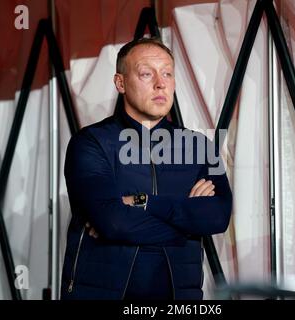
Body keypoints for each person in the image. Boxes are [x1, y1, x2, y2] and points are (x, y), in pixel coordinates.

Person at [60, 37, 232, 300]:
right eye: (146, 74)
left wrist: (143, 202)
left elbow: (218, 216)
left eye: (167, 74)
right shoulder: (92, 143)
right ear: (120, 83)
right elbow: (114, 223)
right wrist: (187, 221)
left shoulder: (198, 146)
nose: (160, 83)